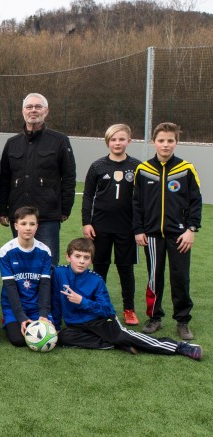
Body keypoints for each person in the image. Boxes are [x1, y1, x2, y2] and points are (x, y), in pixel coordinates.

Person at [54, 238, 202, 361]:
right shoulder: (59, 273)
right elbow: (55, 301)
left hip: (102, 321)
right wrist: (55, 325)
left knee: (125, 335)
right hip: (76, 325)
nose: (81, 261)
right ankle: (118, 344)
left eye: (86, 258)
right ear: (68, 257)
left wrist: (82, 301)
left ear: (91, 260)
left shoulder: (96, 280)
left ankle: (180, 346)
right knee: (63, 337)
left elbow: (107, 310)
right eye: (77, 256)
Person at [133, 122, 201, 340]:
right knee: (154, 277)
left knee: (180, 277)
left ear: (176, 143)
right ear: (154, 142)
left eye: (170, 140)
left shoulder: (186, 169)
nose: (165, 145)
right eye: (161, 140)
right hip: (151, 235)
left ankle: (182, 321)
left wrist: (191, 229)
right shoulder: (143, 170)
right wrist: (138, 229)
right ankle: (155, 318)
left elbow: (195, 203)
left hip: (180, 235)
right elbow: (136, 203)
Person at [0, 93, 76, 266]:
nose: (33, 110)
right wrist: (2, 210)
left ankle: (47, 294)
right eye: (29, 107)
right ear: (22, 111)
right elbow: (4, 179)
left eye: (38, 107)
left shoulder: (60, 141)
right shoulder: (12, 143)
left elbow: (69, 177)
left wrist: (65, 209)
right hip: (19, 214)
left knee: (48, 263)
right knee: (22, 263)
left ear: (46, 111)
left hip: (47, 215)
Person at [81, 124, 142, 326]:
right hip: (100, 227)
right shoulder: (98, 166)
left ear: (129, 141)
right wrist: (87, 222)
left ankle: (129, 309)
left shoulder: (136, 166)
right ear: (108, 141)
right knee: (100, 268)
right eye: (113, 139)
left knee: (126, 269)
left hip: (127, 228)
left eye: (121, 139)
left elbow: (142, 199)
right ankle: (99, 306)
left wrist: (139, 226)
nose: (117, 143)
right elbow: (88, 196)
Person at [0, 206, 53, 347]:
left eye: (32, 224)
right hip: (14, 306)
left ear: (37, 227)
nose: (28, 228)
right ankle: (8, 320)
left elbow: (45, 285)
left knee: (51, 336)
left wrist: (43, 314)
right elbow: (10, 287)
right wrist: (21, 317)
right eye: (23, 223)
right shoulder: (6, 251)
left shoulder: (45, 251)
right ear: (16, 226)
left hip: (35, 306)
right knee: (18, 340)